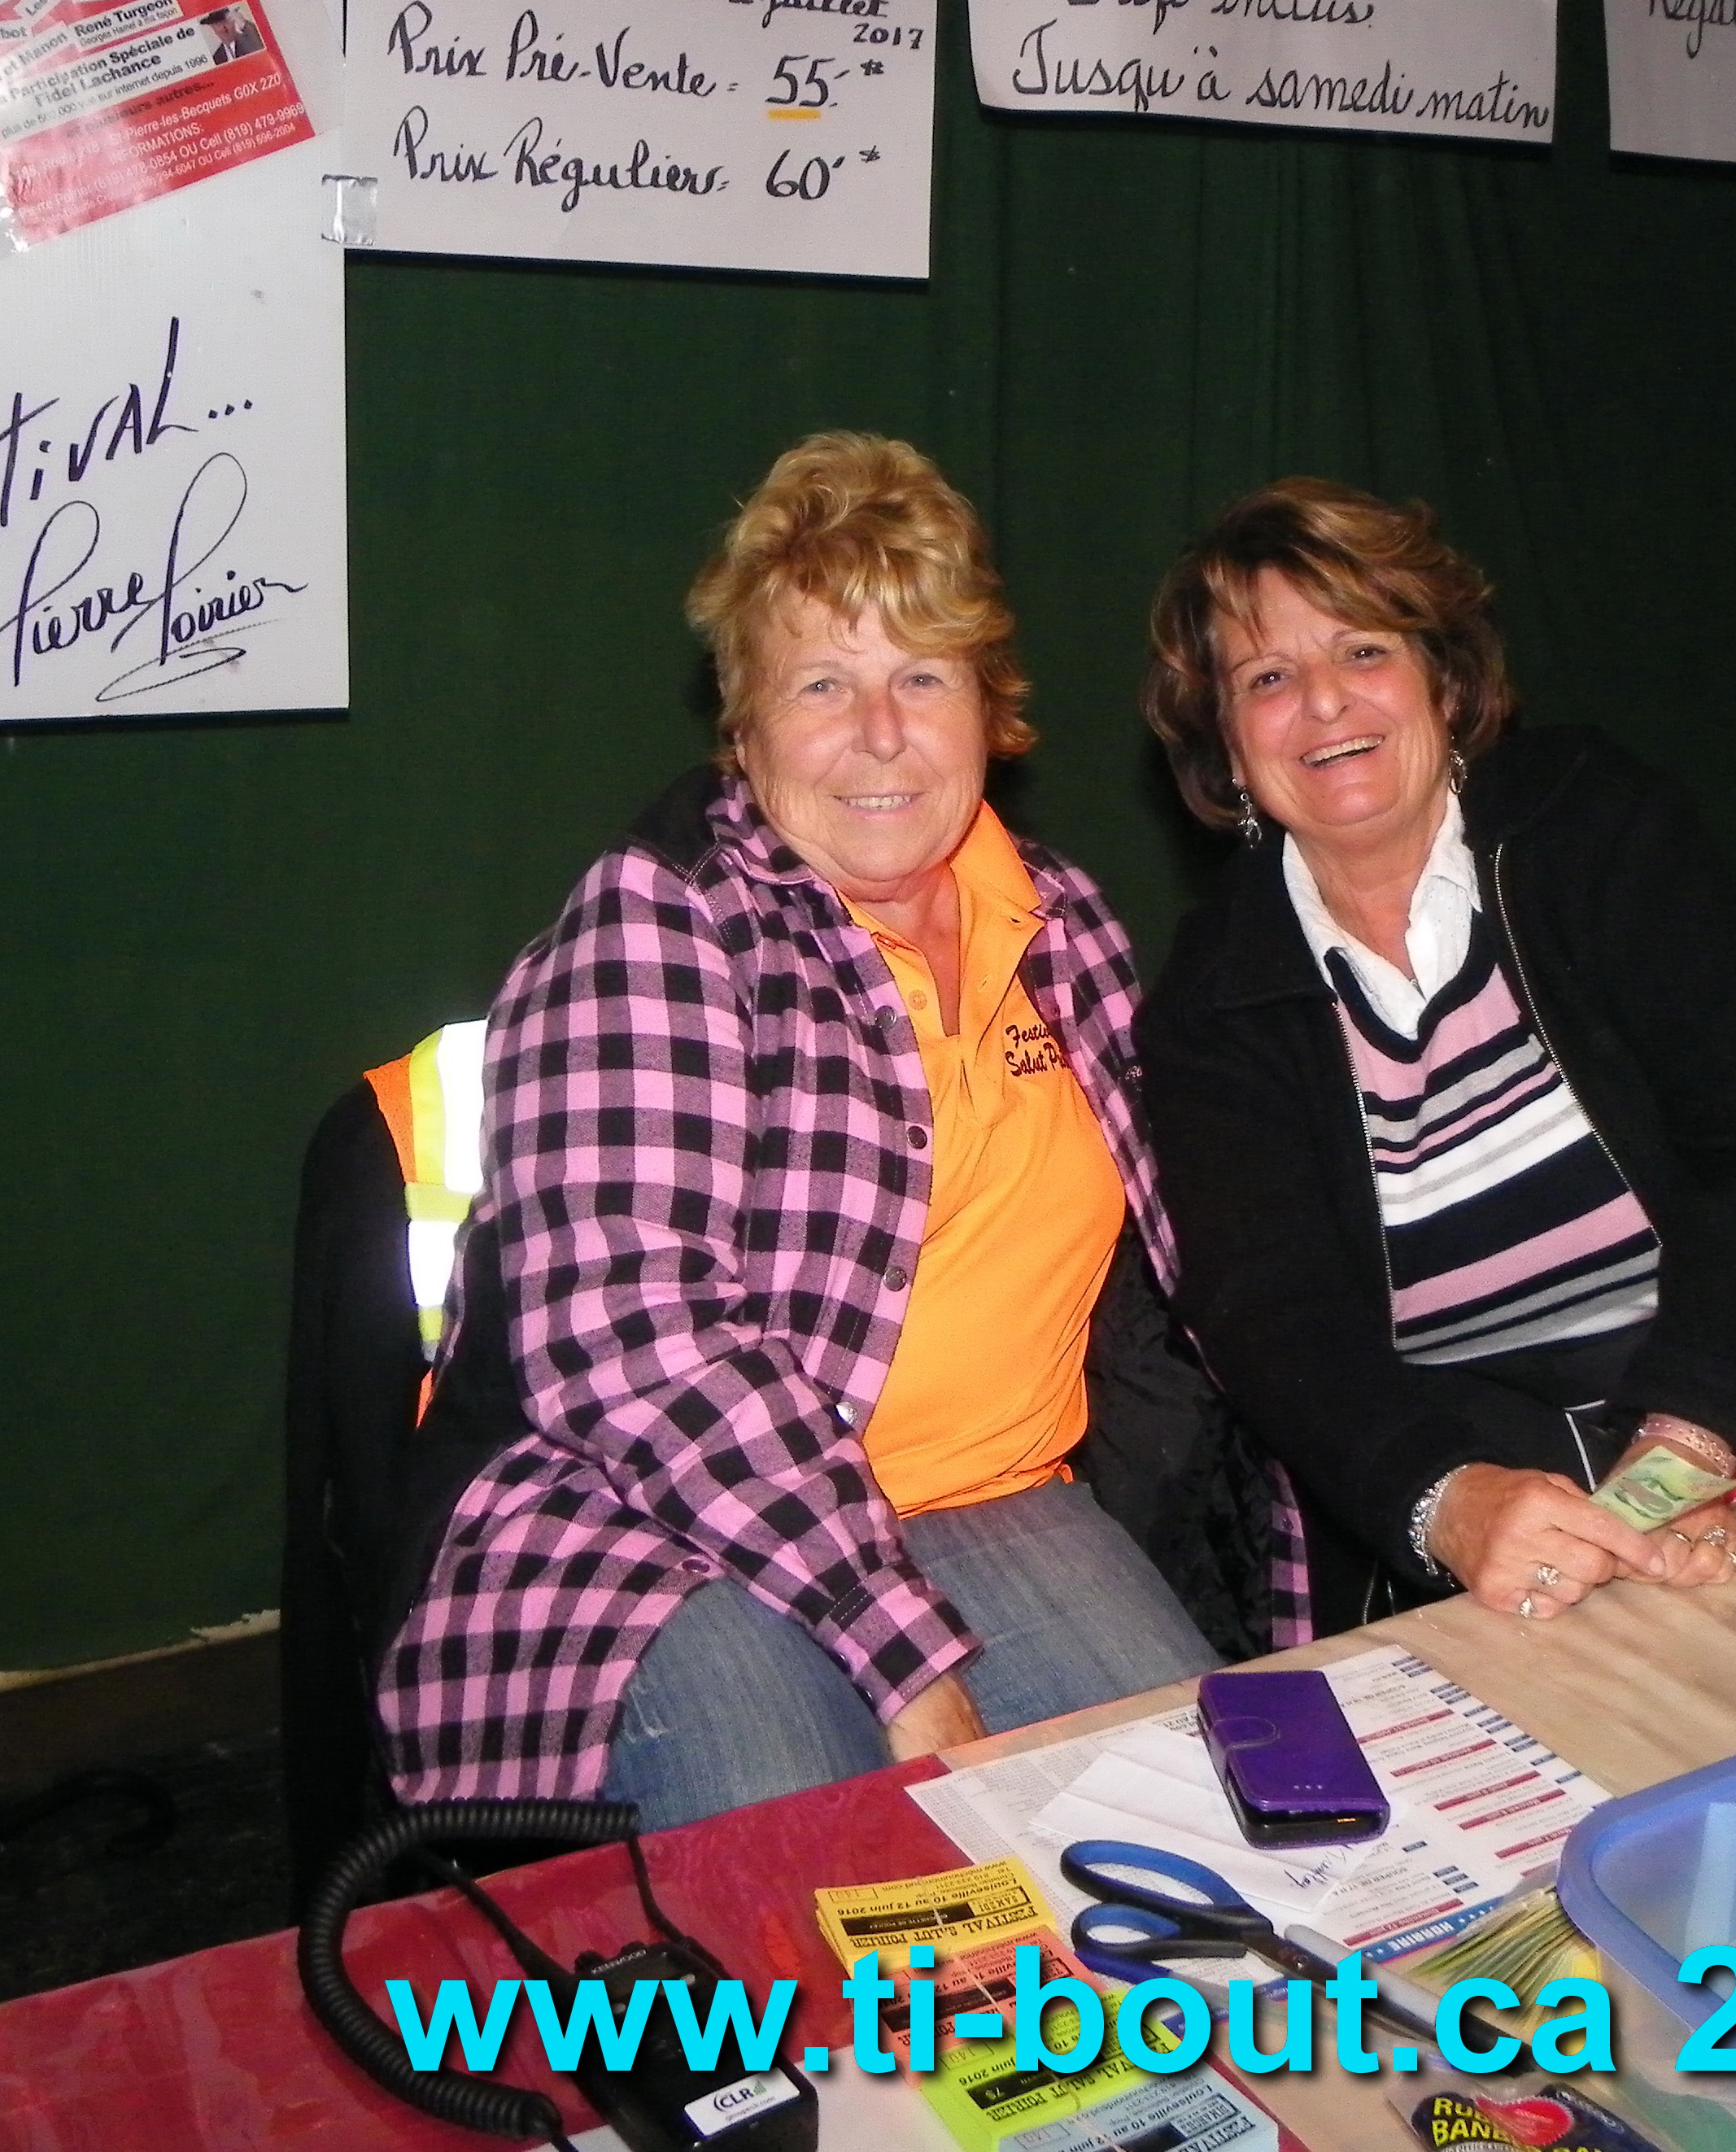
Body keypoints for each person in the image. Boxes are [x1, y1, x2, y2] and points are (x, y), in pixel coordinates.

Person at [378, 434, 1261, 1826]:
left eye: (924, 676)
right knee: (828, 1889)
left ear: (991, 707)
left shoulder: (1065, 922)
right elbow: (635, 1337)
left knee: (1205, 1842)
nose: (881, 734)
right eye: (822, 686)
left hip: (993, 1500)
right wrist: (900, 1650)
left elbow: (1178, 1271)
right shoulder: (658, 923)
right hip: (651, 1535)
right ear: (746, 733)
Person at [1136, 481, 1736, 1630]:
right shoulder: (1212, 1000)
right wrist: (1445, 1502)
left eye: (1364, 650)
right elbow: (1274, 1317)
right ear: (1227, 748)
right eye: (1267, 678)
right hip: (1480, 1477)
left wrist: (1686, 1444)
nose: (1325, 702)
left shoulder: (1593, 827)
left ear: (1444, 681)